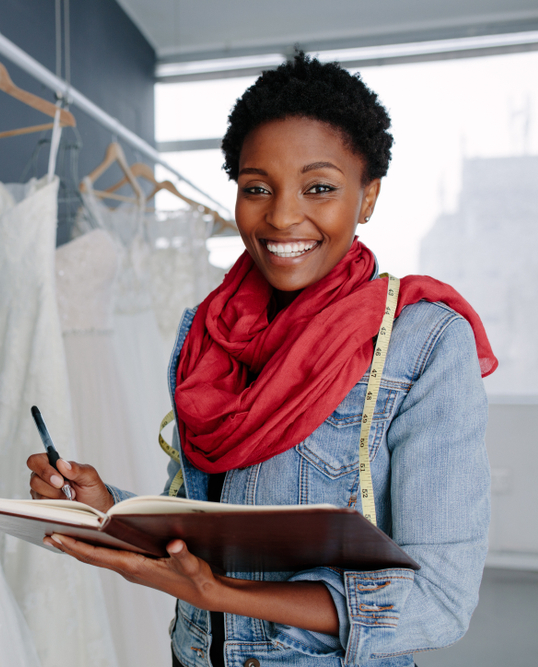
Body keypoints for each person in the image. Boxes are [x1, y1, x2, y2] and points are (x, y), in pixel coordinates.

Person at [28, 53, 497, 667]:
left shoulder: (423, 342)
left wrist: (221, 593)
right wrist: (109, 509)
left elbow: (440, 598)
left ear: (368, 197)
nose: (280, 215)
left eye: (319, 187)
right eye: (257, 188)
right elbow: (213, 525)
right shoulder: (208, 330)